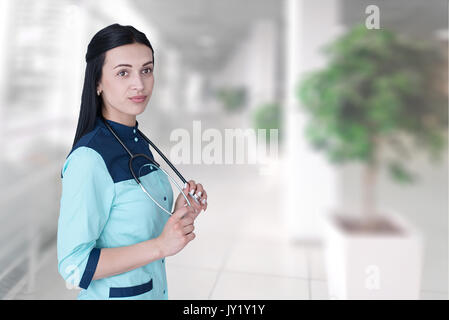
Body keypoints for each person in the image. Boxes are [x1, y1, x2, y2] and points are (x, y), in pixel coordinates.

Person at [57, 23, 208, 300]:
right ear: (98, 82)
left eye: (146, 70)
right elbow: (74, 267)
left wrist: (177, 216)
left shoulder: (135, 140)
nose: (139, 84)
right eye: (123, 72)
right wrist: (162, 246)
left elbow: (129, 227)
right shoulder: (89, 159)